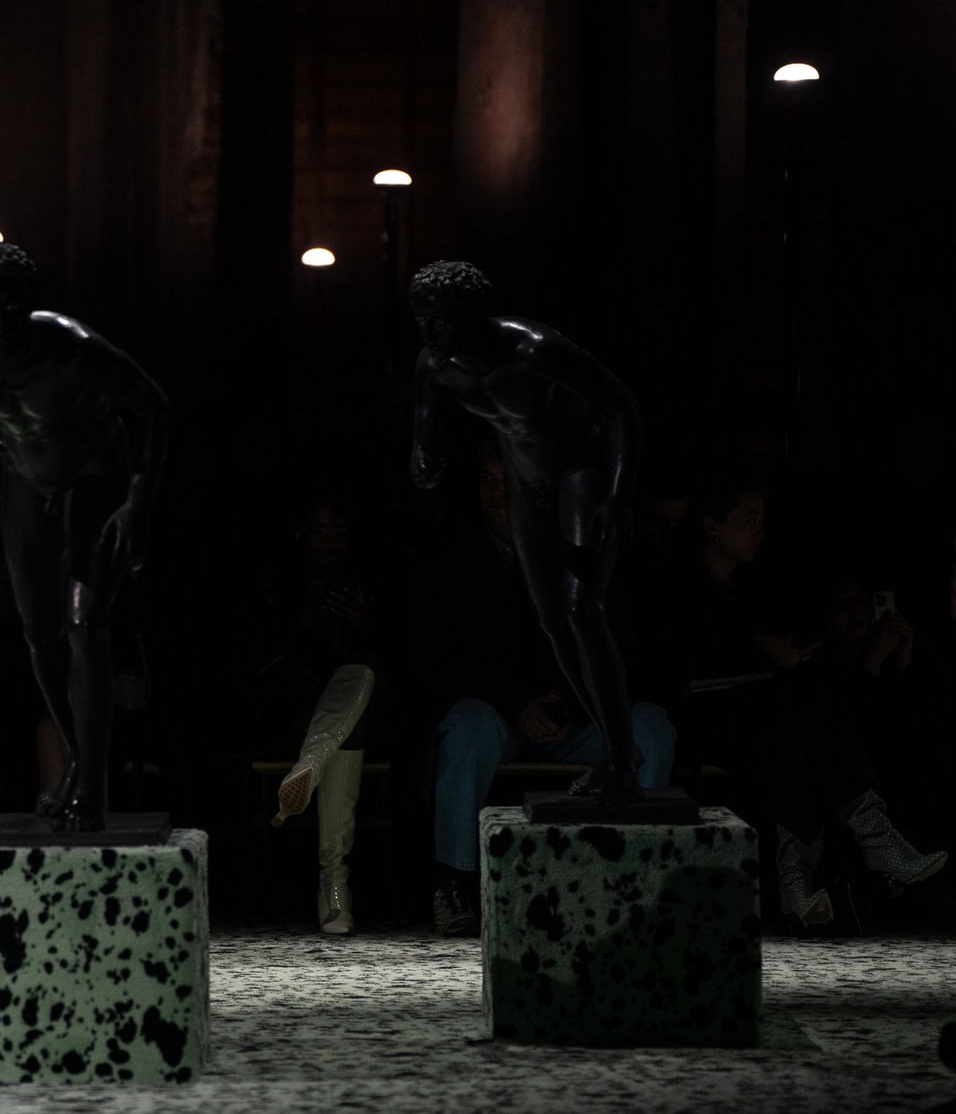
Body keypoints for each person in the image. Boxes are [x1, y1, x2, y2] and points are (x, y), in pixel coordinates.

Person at [0, 241, 168, 833]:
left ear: (27, 303)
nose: (1, 320)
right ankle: (82, 759)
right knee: (39, 633)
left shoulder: (69, 344)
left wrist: (136, 507)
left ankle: (88, 783)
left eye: (11, 306)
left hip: (94, 472)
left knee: (86, 625)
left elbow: (152, 408)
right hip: (25, 479)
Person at [411, 438, 676, 936]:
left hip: (577, 719)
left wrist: (572, 702)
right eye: (487, 480)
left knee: (649, 726)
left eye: (507, 481)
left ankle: (637, 876)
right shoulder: (449, 559)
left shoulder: (575, 550)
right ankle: (455, 882)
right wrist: (516, 701)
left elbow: (620, 647)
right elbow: (435, 660)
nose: (497, 493)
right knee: (465, 727)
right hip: (497, 718)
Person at [408, 261, 645, 803]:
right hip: (523, 474)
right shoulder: (436, 363)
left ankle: (619, 758)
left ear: (471, 314)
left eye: (441, 319)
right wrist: (422, 452)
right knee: (553, 620)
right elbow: (424, 419)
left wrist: (618, 493)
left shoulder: (534, 349)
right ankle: (615, 752)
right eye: (422, 319)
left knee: (582, 608)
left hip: (578, 467)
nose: (430, 331)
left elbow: (621, 408)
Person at [664, 476, 947, 928]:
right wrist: (767, 656)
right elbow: (682, 667)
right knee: (802, 713)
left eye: (763, 521)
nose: (759, 532)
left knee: (799, 727)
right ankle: (863, 844)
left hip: (764, 720)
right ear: (713, 525)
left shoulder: (753, 588)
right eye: (748, 520)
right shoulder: (677, 583)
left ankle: (801, 877)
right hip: (703, 719)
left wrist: (785, 656)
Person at [257, 495, 379, 936]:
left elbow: (395, 656)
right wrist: (300, 625)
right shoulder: (275, 582)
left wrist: (363, 624)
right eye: (320, 530)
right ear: (300, 532)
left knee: (361, 679)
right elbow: (249, 663)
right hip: (285, 713)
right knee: (347, 723)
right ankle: (334, 883)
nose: (330, 541)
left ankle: (309, 768)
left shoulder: (367, 583)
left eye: (339, 531)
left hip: (352, 717)